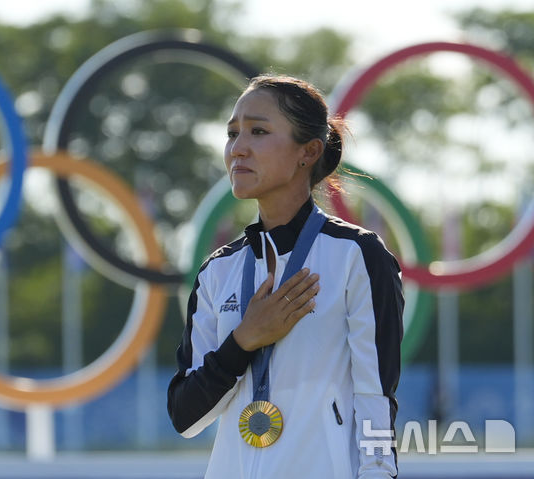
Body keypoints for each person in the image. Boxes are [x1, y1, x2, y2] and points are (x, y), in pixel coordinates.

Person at [167, 74, 404, 478]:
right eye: (232, 133)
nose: (237, 149)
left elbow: (375, 400)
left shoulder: (358, 256)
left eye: (258, 131)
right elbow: (185, 417)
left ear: (308, 152)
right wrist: (243, 340)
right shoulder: (217, 271)